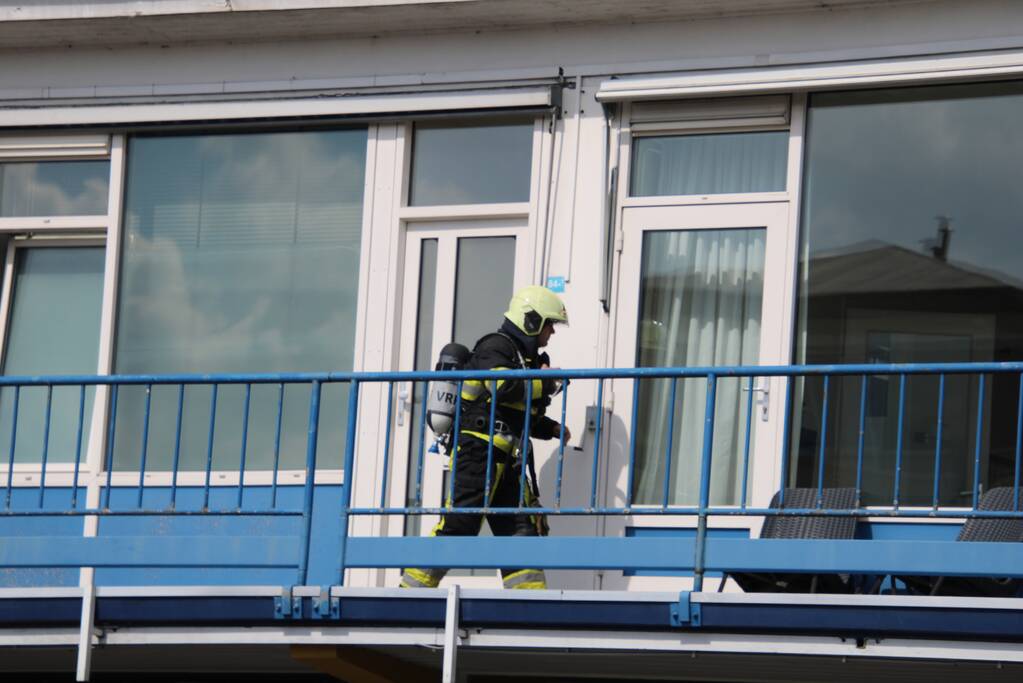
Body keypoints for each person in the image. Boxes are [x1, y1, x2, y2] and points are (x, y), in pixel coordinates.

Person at [400, 285, 572, 590]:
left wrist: (551, 428)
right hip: (478, 454)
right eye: (549, 324)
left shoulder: (523, 359)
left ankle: (531, 608)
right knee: (461, 524)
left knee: (521, 532)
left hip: (509, 460)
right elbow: (503, 387)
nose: (552, 334)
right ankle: (410, 592)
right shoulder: (496, 346)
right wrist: (545, 384)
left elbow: (515, 413)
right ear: (530, 321)